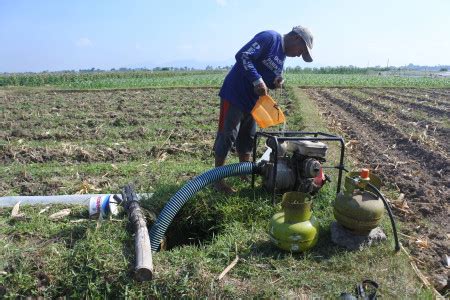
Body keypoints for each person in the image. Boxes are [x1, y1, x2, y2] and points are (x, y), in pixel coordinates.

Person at [213, 25, 314, 194]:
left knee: (248, 139)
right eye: (300, 50)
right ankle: (218, 181)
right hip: (235, 95)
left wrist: (275, 82)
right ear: (296, 38)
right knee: (228, 136)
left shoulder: (282, 57)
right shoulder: (270, 38)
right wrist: (257, 80)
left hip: (253, 103)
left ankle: (243, 173)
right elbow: (243, 56)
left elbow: (267, 81)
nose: (298, 55)